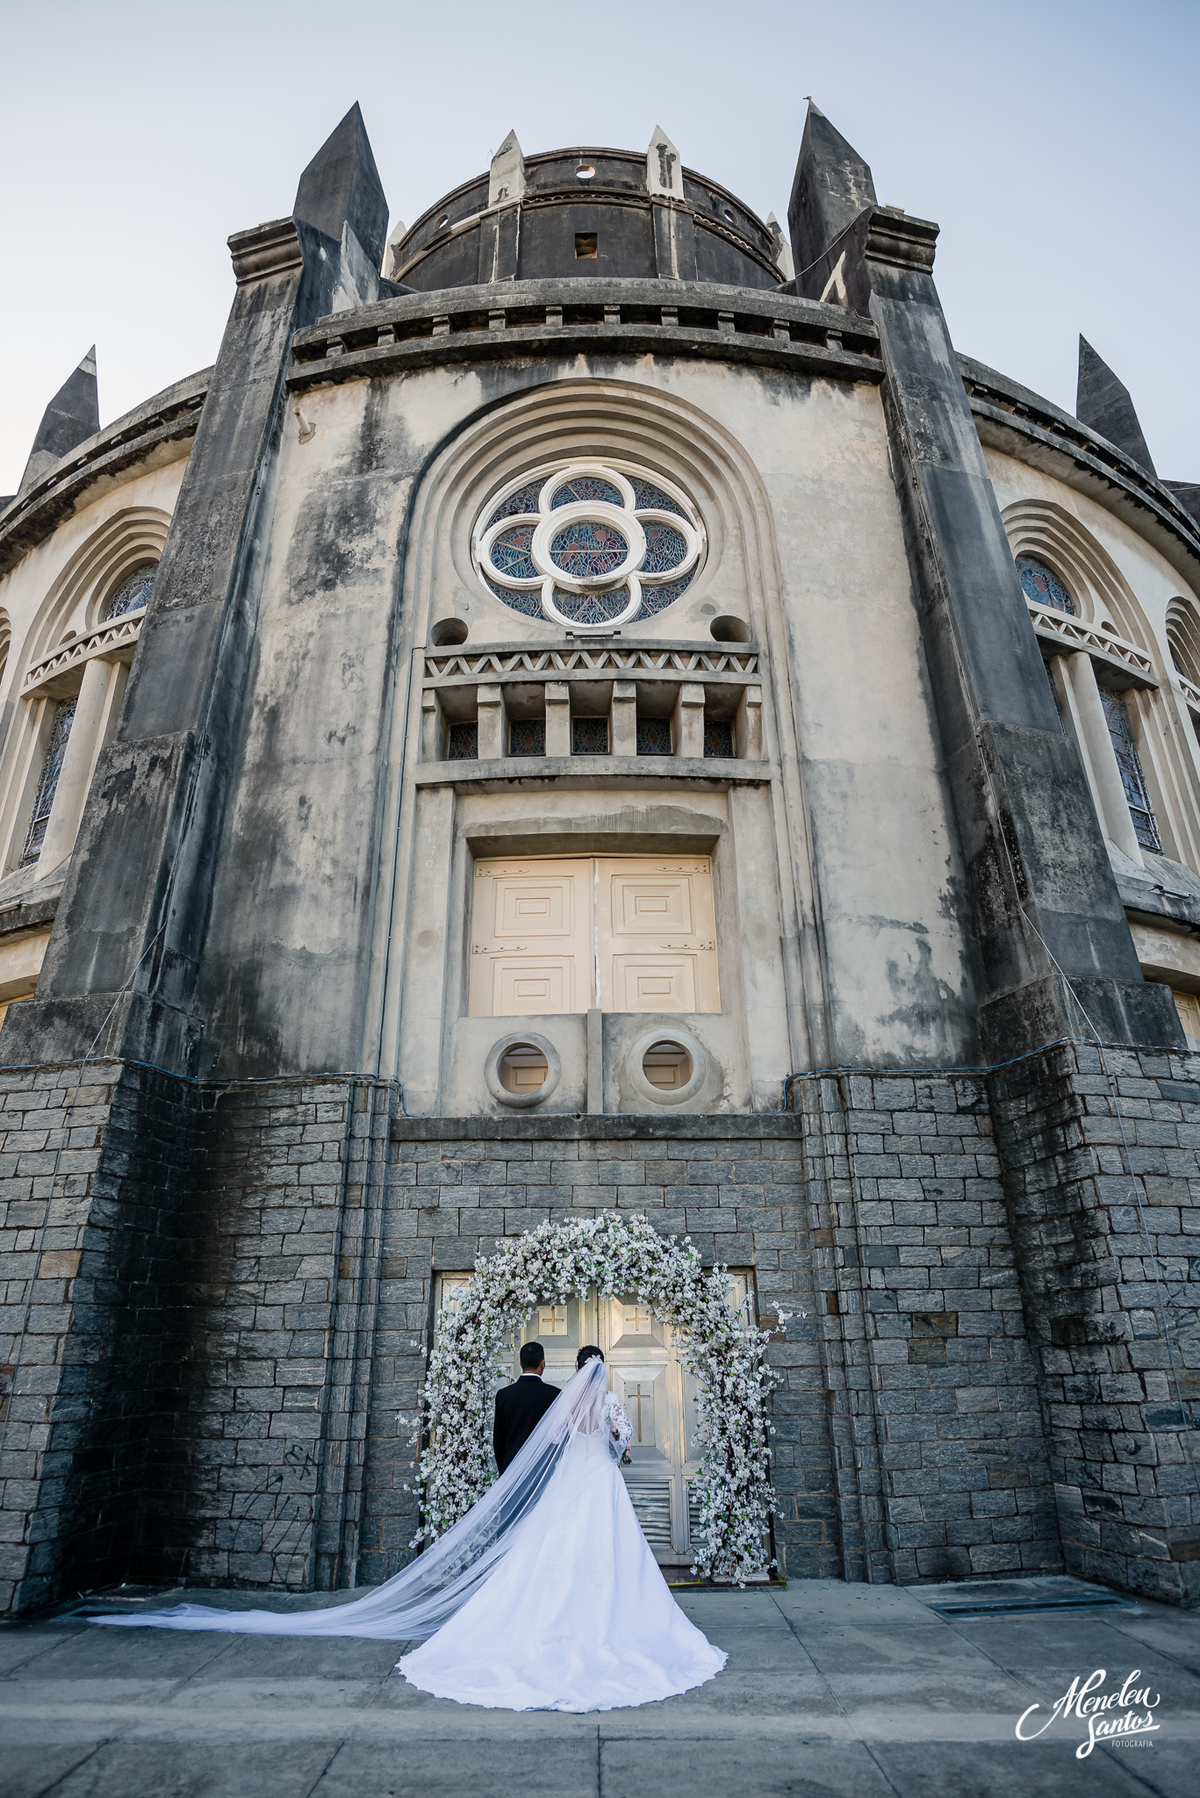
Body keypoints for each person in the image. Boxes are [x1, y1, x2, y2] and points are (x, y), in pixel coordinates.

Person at [94, 1347, 726, 1713]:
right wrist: (611, 1453)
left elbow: (550, 1447)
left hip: (565, 1490)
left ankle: (544, 1618)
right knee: (607, 1559)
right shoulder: (607, 1400)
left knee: (550, 1558)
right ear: (605, 1370)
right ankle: (604, 1618)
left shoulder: (563, 1401)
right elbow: (622, 1440)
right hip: (601, 1489)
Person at [493, 1339, 560, 1473]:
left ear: (520, 1363)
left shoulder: (504, 1395)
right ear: (543, 1363)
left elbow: (498, 1440)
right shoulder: (555, 1394)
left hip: (511, 1468)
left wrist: (504, 1469)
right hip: (542, 1470)